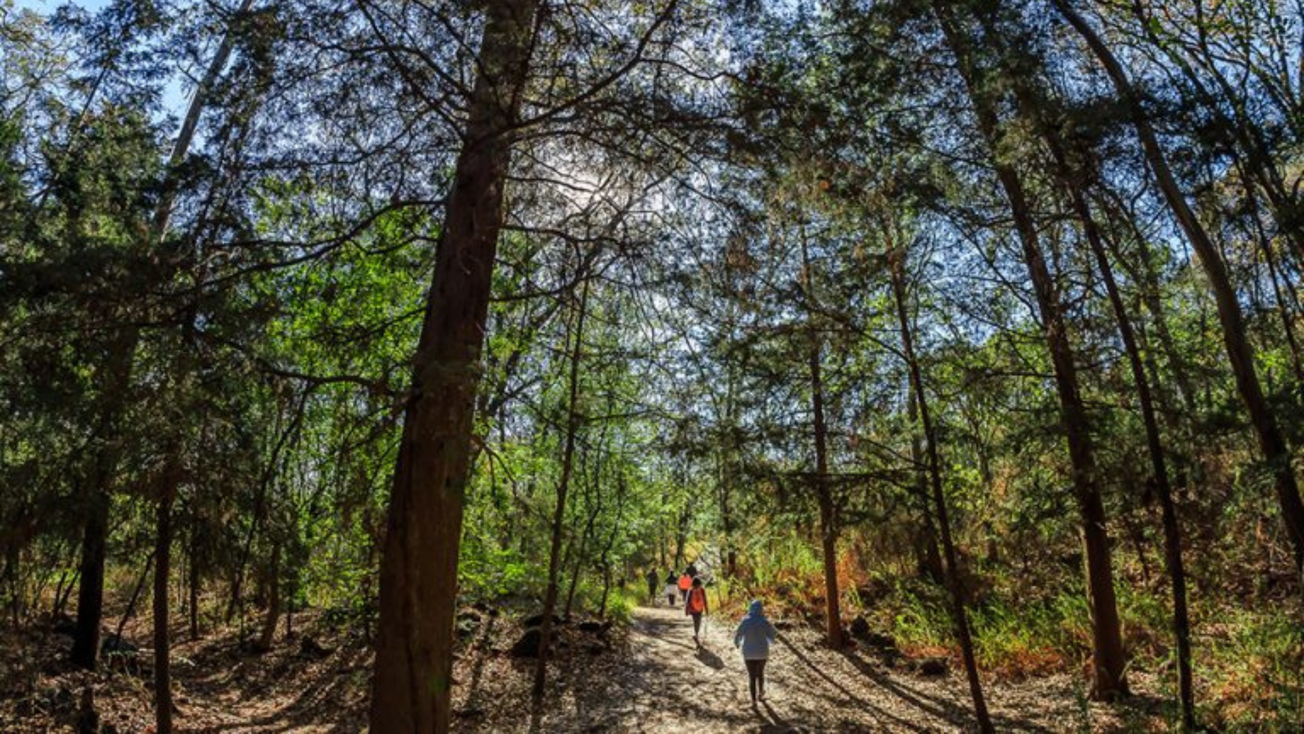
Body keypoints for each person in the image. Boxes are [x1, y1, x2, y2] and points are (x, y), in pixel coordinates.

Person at [733, 599, 778, 705]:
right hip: (762, 652)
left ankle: (753, 701)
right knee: (760, 673)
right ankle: (761, 693)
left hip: (748, 653)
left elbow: (738, 634)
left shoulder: (745, 621)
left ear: (750, 609)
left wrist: (737, 643)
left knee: (752, 676)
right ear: (761, 609)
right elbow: (774, 634)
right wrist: (769, 640)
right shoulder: (764, 621)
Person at [684, 576, 708, 645]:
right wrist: (686, 610)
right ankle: (696, 634)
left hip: (697, 609)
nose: (697, 587)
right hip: (695, 609)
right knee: (697, 622)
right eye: (697, 585)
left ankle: (696, 634)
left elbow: (704, 599)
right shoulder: (693, 590)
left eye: (698, 585)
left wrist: (706, 608)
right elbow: (688, 601)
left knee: (697, 621)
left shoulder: (699, 590)